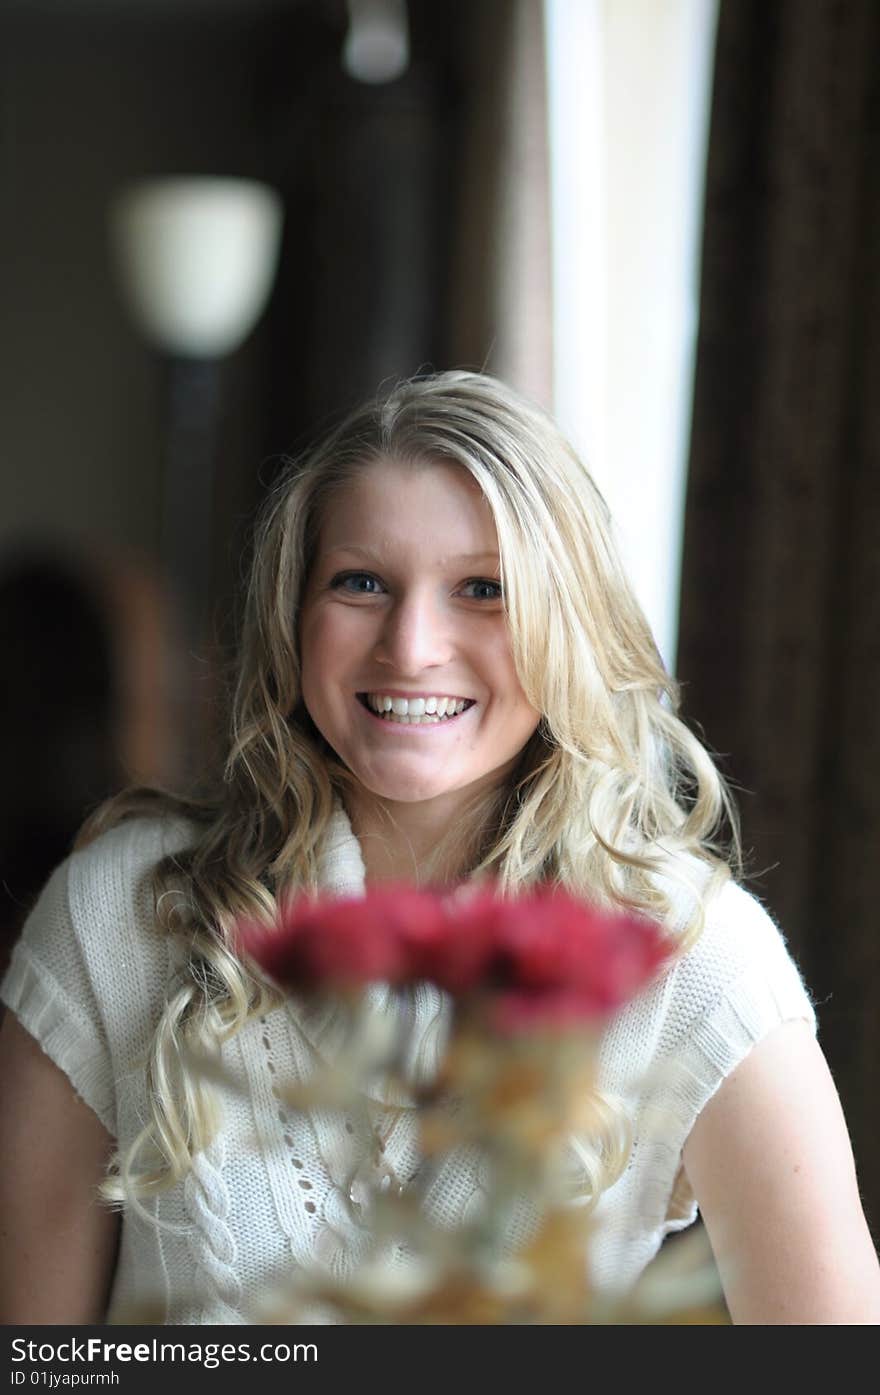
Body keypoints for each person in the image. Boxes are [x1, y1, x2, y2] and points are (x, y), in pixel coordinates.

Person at [1, 370, 878, 1326]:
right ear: (295, 615)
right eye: (361, 582)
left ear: (567, 623)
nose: (412, 645)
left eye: (482, 589)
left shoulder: (697, 959)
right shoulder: (117, 912)